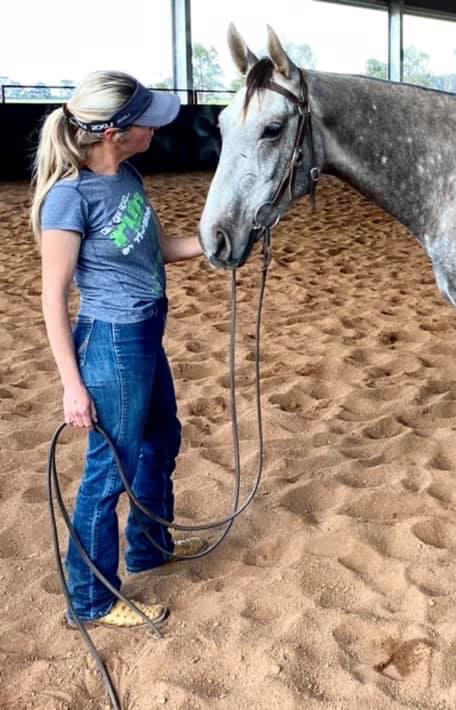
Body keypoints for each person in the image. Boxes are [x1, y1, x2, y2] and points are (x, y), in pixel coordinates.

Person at [32, 71, 207, 628]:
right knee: (109, 473)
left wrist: (215, 243)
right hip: (111, 340)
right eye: (146, 121)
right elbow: (53, 298)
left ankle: (150, 547)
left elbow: (158, 250)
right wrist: (72, 385)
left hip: (146, 330)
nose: (155, 127)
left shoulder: (126, 177)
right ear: (115, 133)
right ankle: (90, 601)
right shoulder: (69, 198)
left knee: (161, 439)